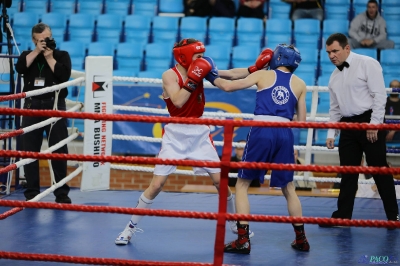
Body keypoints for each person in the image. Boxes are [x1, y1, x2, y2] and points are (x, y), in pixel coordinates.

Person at [114, 38, 257, 245]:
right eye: (197, 56)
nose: (201, 60)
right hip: (175, 133)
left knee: (220, 181)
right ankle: (130, 228)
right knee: (156, 185)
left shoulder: (203, 67)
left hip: (199, 130)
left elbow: (228, 80)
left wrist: (255, 69)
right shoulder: (169, 75)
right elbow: (178, 101)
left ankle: (235, 222)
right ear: (184, 56)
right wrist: (194, 77)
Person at [206, 44, 310, 253]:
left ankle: (243, 239)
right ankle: (301, 239)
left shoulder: (264, 75)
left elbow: (228, 86)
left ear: (277, 58)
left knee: (242, 184)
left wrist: (208, 75)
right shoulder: (300, 84)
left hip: (262, 130)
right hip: (285, 132)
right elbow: (303, 120)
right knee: (289, 188)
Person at [323, 33, 399, 227]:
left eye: (335, 51)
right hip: (347, 126)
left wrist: (374, 124)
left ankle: (393, 216)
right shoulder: (333, 77)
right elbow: (334, 108)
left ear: (347, 48)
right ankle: (342, 216)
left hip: (369, 121)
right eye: (328, 52)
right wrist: (332, 133)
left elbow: (380, 96)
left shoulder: (367, 63)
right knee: (348, 172)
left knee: (379, 170)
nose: (331, 55)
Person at [15, 23, 71, 203]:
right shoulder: (27, 56)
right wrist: (37, 51)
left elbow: (64, 75)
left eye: (48, 39)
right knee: (30, 151)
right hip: (32, 106)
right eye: (41, 40)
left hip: (54, 105)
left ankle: (61, 193)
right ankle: (32, 193)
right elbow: (20, 68)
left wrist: (49, 57)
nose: (46, 43)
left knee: (59, 150)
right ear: (34, 40)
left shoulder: (61, 55)